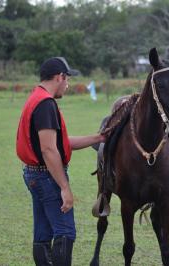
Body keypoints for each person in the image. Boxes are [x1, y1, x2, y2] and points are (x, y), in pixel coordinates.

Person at [16, 57, 106, 266]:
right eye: (67, 80)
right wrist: (64, 187)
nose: (68, 85)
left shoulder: (35, 98)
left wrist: (99, 137)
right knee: (65, 232)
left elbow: (59, 143)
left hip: (34, 174)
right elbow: (48, 150)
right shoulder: (46, 104)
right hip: (46, 176)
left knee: (43, 233)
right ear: (60, 77)